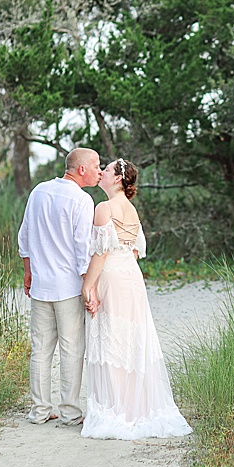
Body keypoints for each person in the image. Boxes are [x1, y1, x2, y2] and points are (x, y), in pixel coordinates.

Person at [80, 158, 192, 440]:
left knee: (111, 340)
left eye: (105, 171)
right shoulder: (131, 210)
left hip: (112, 278)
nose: (101, 173)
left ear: (117, 179)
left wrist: (88, 286)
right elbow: (134, 252)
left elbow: (100, 252)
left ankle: (117, 408)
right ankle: (133, 408)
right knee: (129, 341)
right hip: (131, 278)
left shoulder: (104, 208)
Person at [17, 148, 102, 426]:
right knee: (72, 348)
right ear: (81, 170)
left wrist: (28, 272)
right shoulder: (82, 199)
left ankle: (39, 411)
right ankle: (69, 413)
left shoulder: (39, 191)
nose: (99, 171)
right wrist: (88, 286)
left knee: (40, 348)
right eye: (96, 166)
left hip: (41, 284)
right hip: (67, 286)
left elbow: (25, 234)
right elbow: (82, 247)